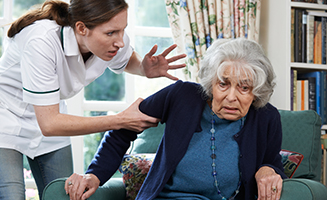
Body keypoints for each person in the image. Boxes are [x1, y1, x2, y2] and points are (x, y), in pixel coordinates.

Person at [0, 0, 186, 199]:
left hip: (50, 112)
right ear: (81, 28)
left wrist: (143, 68)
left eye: (123, 30)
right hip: (3, 116)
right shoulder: (41, 41)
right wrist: (120, 120)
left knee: (65, 196)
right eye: (111, 33)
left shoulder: (113, 41)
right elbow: (49, 124)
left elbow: (126, 57)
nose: (120, 41)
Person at [65, 38, 287, 200]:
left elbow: (272, 162)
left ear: (256, 92)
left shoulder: (266, 117)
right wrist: (94, 174)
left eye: (244, 87)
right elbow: (122, 129)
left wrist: (269, 169)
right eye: (223, 84)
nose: (231, 97)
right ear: (211, 83)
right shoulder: (182, 96)